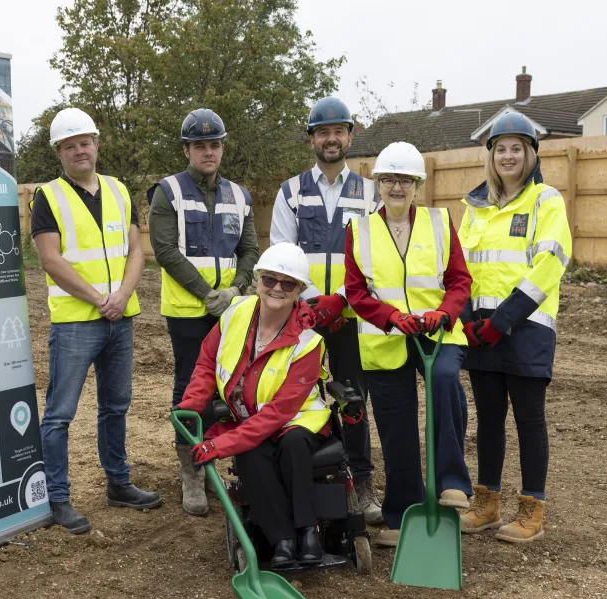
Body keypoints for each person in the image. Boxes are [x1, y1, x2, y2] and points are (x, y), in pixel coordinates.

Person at [31, 107, 161, 535]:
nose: (79, 150)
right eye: (70, 145)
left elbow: (136, 250)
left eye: (85, 141)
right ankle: (58, 499)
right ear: (59, 152)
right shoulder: (48, 196)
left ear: (96, 144)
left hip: (120, 317)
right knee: (59, 414)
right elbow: (50, 258)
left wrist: (122, 296)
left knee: (116, 407)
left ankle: (118, 484)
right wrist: (98, 299)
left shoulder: (120, 191)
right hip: (75, 322)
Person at [344, 141, 473, 548]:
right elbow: (355, 291)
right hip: (386, 340)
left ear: (418, 185)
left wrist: (445, 313)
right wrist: (390, 317)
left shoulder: (439, 222)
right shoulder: (359, 230)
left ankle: (452, 480)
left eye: (404, 180)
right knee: (395, 427)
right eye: (388, 180)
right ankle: (402, 511)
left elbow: (459, 281)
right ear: (378, 185)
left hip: (437, 331)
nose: (395, 187)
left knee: (445, 379)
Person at [176, 243, 331, 568]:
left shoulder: (307, 341)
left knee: (292, 445)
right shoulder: (236, 312)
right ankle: (282, 539)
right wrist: (191, 405)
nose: (277, 288)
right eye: (270, 280)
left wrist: (221, 442)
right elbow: (207, 362)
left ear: (299, 290)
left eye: (287, 283)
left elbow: (279, 413)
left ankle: (308, 532)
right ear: (258, 280)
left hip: (297, 420)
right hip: (247, 418)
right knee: (250, 454)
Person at [457, 112, 572, 543]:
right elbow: (461, 266)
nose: (508, 156)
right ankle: (487, 504)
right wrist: (469, 318)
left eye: (516, 148)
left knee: (528, 419)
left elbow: (550, 264)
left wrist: (503, 320)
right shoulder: (475, 207)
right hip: (480, 330)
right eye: (500, 148)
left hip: (525, 328)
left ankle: (532, 509)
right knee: (487, 418)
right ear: (491, 155)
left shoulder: (546, 200)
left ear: (530, 154)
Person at [270, 96, 382, 525]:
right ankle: (307, 479)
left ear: (350, 136)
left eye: (338, 131)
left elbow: (378, 257)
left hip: (355, 318)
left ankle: (362, 484)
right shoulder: (291, 191)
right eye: (322, 132)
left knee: (353, 399)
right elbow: (283, 252)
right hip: (305, 317)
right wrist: (318, 301)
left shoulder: (370, 193)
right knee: (300, 395)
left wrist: (345, 301)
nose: (330, 138)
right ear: (312, 140)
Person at [148, 109, 259, 517]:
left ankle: (214, 457)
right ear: (187, 150)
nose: (208, 152)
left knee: (228, 386)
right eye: (200, 146)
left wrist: (235, 289)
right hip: (187, 311)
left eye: (214, 145)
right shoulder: (168, 191)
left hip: (229, 308)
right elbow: (164, 250)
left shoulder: (239, 195)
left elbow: (249, 249)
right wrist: (206, 292)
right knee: (190, 386)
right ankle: (192, 472)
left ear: (222, 147)